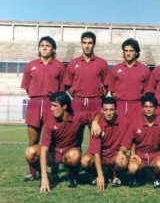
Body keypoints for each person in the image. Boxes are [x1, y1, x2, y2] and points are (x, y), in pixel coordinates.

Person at [24, 92, 100, 192]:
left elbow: (98, 114)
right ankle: (48, 176)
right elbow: (43, 150)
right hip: (53, 155)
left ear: (64, 106)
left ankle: (72, 177)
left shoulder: (78, 117)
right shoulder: (50, 121)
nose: (51, 109)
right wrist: (44, 177)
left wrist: (94, 122)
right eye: (51, 106)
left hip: (69, 154)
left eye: (54, 106)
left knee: (74, 155)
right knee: (30, 152)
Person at [21, 36, 66, 181]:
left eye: (48, 45)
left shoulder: (59, 66)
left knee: (53, 140)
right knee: (33, 140)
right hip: (34, 104)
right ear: (39, 48)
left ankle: (54, 171)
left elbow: (62, 89)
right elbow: (27, 88)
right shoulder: (31, 65)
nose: (45, 47)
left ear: (53, 49)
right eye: (42, 45)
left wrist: (51, 102)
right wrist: (37, 98)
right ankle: (34, 173)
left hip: (51, 104)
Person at [64, 31, 109, 145]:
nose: (87, 45)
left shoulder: (102, 63)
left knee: (95, 135)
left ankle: (94, 161)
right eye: (84, 43)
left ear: (94, 44)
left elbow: (107, 84)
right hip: (78, 102)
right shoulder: (73, 63)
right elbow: (67, 85)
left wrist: (98, 95)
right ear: (81, 44)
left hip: (95, 102)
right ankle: (75, 161)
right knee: (75, 136)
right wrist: (76, 93)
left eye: (90, 43)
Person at [117, 95, 160, 188]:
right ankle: (135, 177)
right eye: (146, 107)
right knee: (132, 168)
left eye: (151, 107)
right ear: (142, 108)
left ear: (155, 108)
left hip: (155, 154)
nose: (148, 109)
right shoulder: (136, 122)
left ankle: (156, 178)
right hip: (140, 155)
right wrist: (122, 153)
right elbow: (127, 142)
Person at [81, 97, 130, 190]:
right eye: (106, 110)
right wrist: (100, 176)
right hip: (101, 156)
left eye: (111, 110)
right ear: (101, 110)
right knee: (84, 161)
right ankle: (96, 175)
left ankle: (116, 175)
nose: (108, 113)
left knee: (124, 161)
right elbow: (96, 152)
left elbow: (130, 140)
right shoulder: (97, 125)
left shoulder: (124, 121)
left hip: (114, 155)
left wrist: (121, 152)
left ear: (116, 110)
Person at [106, 38, 150, 120]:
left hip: (137, 106)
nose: (128, 53)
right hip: (120, 106)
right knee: (120, 132)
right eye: (126, 51)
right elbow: (112, 91)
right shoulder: (116, 69)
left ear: (136, 52)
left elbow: (147, 91)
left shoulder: (145, 70)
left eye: (131, 51)